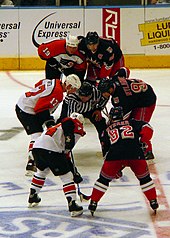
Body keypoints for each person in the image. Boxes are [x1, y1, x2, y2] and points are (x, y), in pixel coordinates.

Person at [88, 106, 159, 216]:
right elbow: (148, 128)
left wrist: (116, 169)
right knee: (145, 179)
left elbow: (105, 151)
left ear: (111, 117)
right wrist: (143, 141)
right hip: (135, 154)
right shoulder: (133, 122)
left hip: (114, 156)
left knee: (103, 180)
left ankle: (93, 202)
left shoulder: (105, 131)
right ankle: (153, 201)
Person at [15, 74, 81, 176]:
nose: (75, 92)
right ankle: (31, 162)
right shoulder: (58, 93)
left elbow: (38, 84)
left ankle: (34, 159)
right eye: (74, 89)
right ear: (68, 86)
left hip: (24, 103)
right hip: (26, 110)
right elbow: (40, 109)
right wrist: (50, 123)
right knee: (37, 135)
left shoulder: (54, 80)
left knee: (39, 134)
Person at [28, 112, 86, 217]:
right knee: (67, 177)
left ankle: (33, 195)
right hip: (51, 150)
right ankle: (72, 204)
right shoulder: (76, 126)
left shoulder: (58, 126)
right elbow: (66, 152)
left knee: (42, 172)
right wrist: (74, 172)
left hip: (36, 148)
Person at [98, 67, 157, 160]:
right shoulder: (114, 79)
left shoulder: (122, 98)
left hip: (146, 101)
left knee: (138, 125)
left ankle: (147, 150)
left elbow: (122, 118)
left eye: (104, 93)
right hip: (137, 97)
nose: (103, 95)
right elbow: (125, 70)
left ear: (109, 89)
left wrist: (112, 123)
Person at [57, 81, 109, 156]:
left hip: (90, 109)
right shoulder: (72, 97)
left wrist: (99, 109)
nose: (83, 98)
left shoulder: (96, 92)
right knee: (65, 125)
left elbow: (105, 97)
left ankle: (106, 148)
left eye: (86, 96)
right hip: (73, 109)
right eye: (81, 96)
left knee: (101, 122)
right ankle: (62, 149)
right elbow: (72, 118)